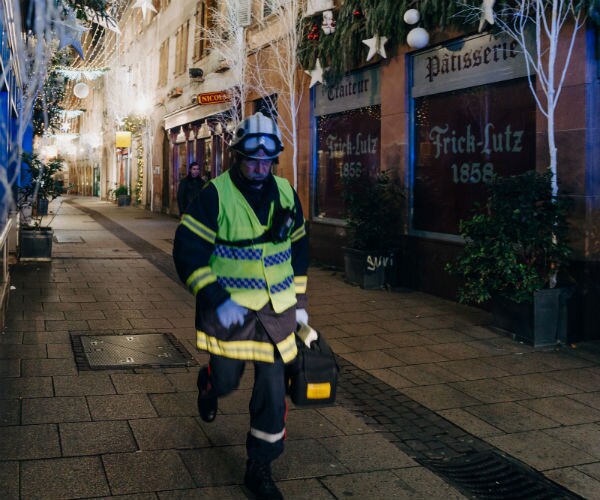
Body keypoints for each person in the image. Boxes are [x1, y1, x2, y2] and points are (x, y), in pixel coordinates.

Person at [173, 112, 308, 500]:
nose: (260, 166)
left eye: (267, 160)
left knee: (271, 387)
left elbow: (299, 247)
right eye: (253, 159)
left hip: (276, 312)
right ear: (236, 156)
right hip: (230, 310)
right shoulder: (215, 195)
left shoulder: (285, 192)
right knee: (228, 380)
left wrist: (299, 303)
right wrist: (216, 297)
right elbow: (188, 251)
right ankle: (209, 385)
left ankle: (260, 465)